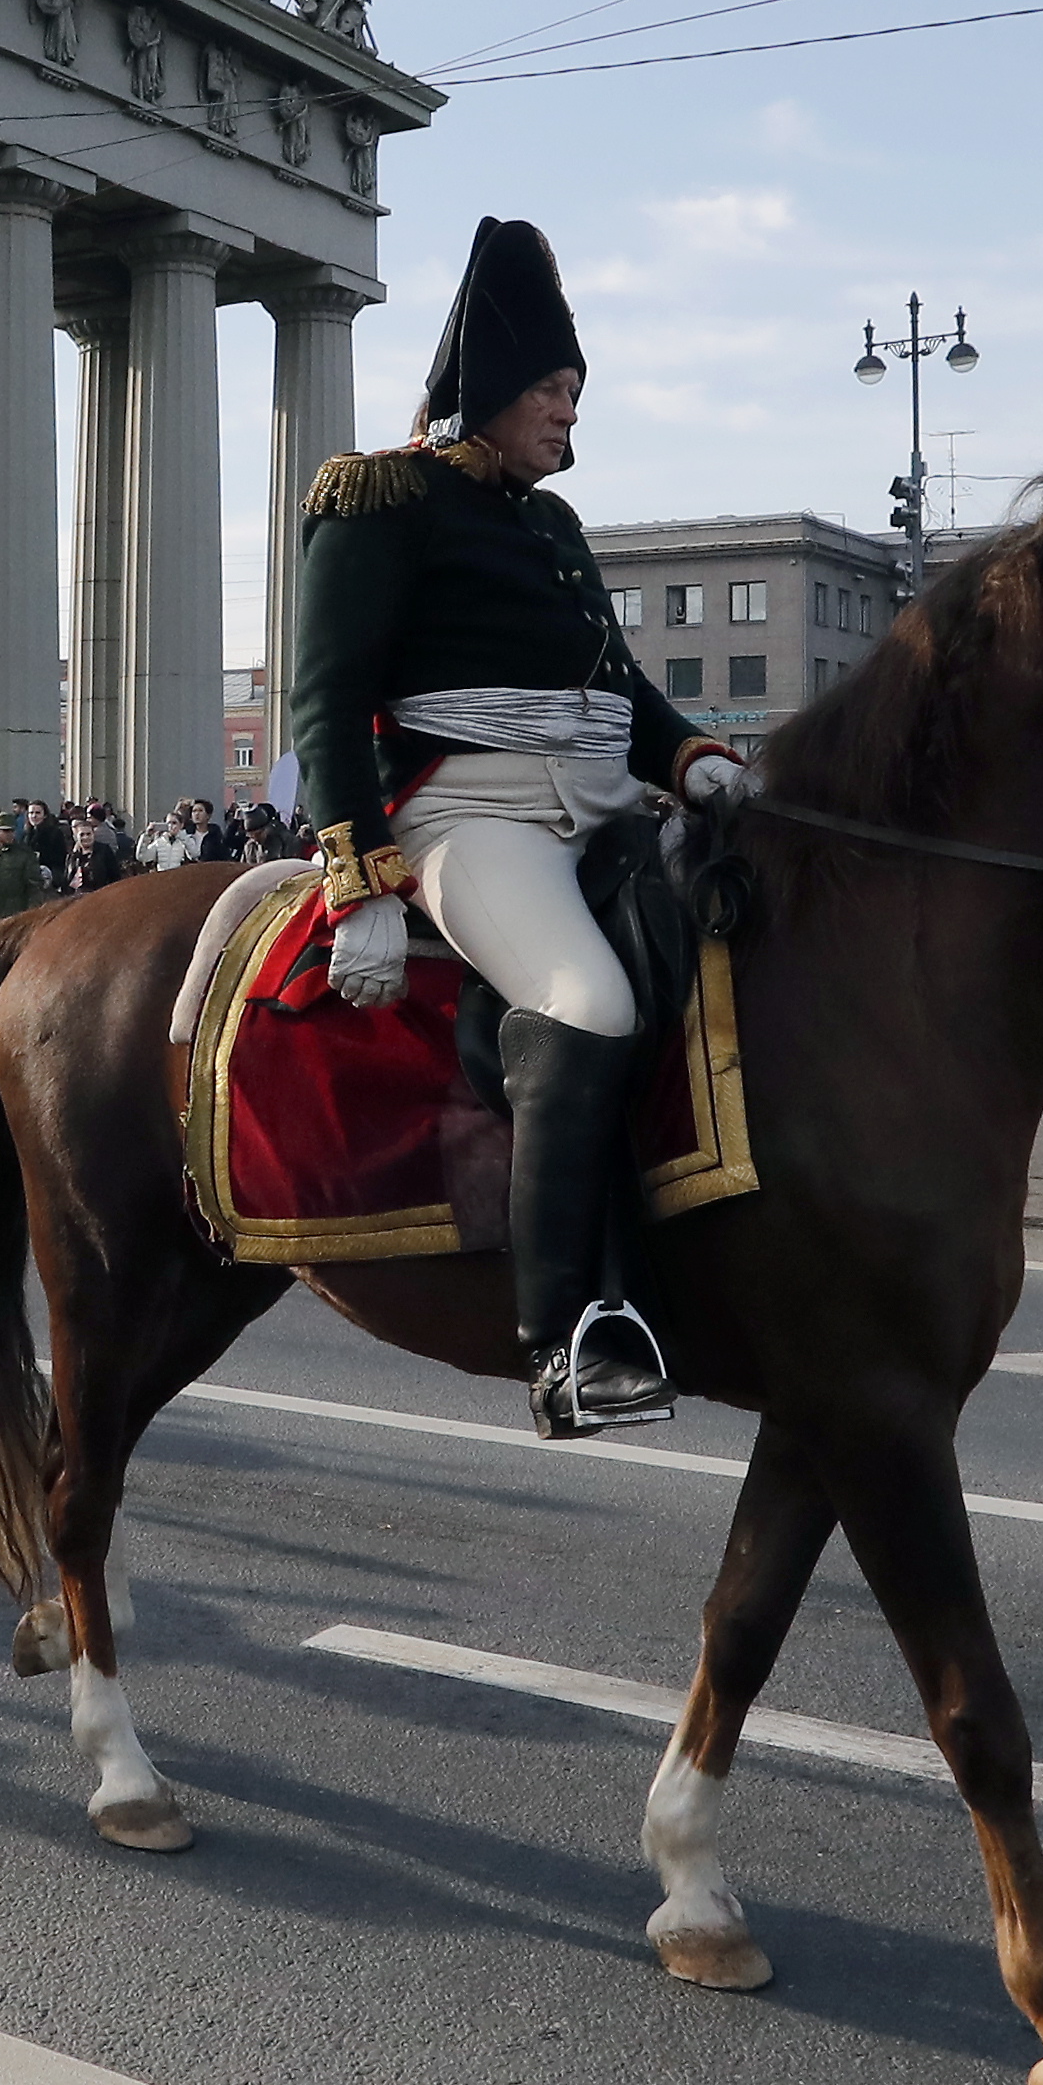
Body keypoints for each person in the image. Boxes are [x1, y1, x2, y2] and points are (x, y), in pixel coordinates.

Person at [289, 215, 744, 1440]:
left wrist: (694, 759)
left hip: (598, 808)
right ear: (489, 389)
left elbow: (617, 692)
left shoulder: (554, 528)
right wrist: (361, 880)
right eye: (553, 389)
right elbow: (326, 702)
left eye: (575, 391)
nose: (569, 415)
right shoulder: (380, 499)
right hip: (471, 814)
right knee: (587, 1000)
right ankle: (566, 1337)